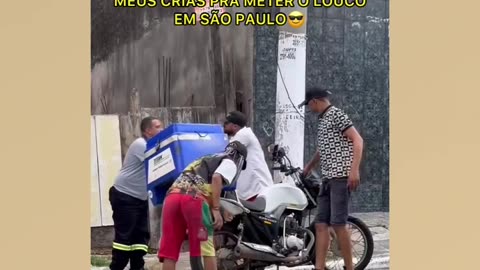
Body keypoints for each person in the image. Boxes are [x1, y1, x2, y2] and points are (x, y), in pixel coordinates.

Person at [299, 88, 364, 270]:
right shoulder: (323, 119)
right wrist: (309, 167)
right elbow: (324, 148)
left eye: (309, 105)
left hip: (341, 177)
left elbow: (358, 140)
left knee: (338, 223)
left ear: (315, 101)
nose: (309, 109)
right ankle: (319, 267)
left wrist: (354, 170)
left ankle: (349, 266)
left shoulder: (336, 115)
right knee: (320, 224)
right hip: (327, 179)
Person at [158, 141, 248, 270]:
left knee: (170, 253)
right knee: (207, 249)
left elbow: (208, 184)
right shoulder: (230, 162)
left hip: (172, 198)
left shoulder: (208, 158)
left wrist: (221, 207)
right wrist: (216, 209)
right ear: (240, 158)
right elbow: (217, 178)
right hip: (194, 201)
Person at [108, 116, 164, 270]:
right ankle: (117, 267)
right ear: (148, 131)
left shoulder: (153, 145)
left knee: (140, 237)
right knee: (124, 237)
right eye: (158, 126)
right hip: (125, 195)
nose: (162, 129)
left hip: (139, 198)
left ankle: (137, 267)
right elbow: (159, 162)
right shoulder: (141, 145)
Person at [223, 111, 273, 201]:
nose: (223, 125)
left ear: (235, 126)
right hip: (249, 189)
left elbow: (227, 152)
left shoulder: (244, 134)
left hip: (256, 189)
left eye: (226, 123)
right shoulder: (238, 136)